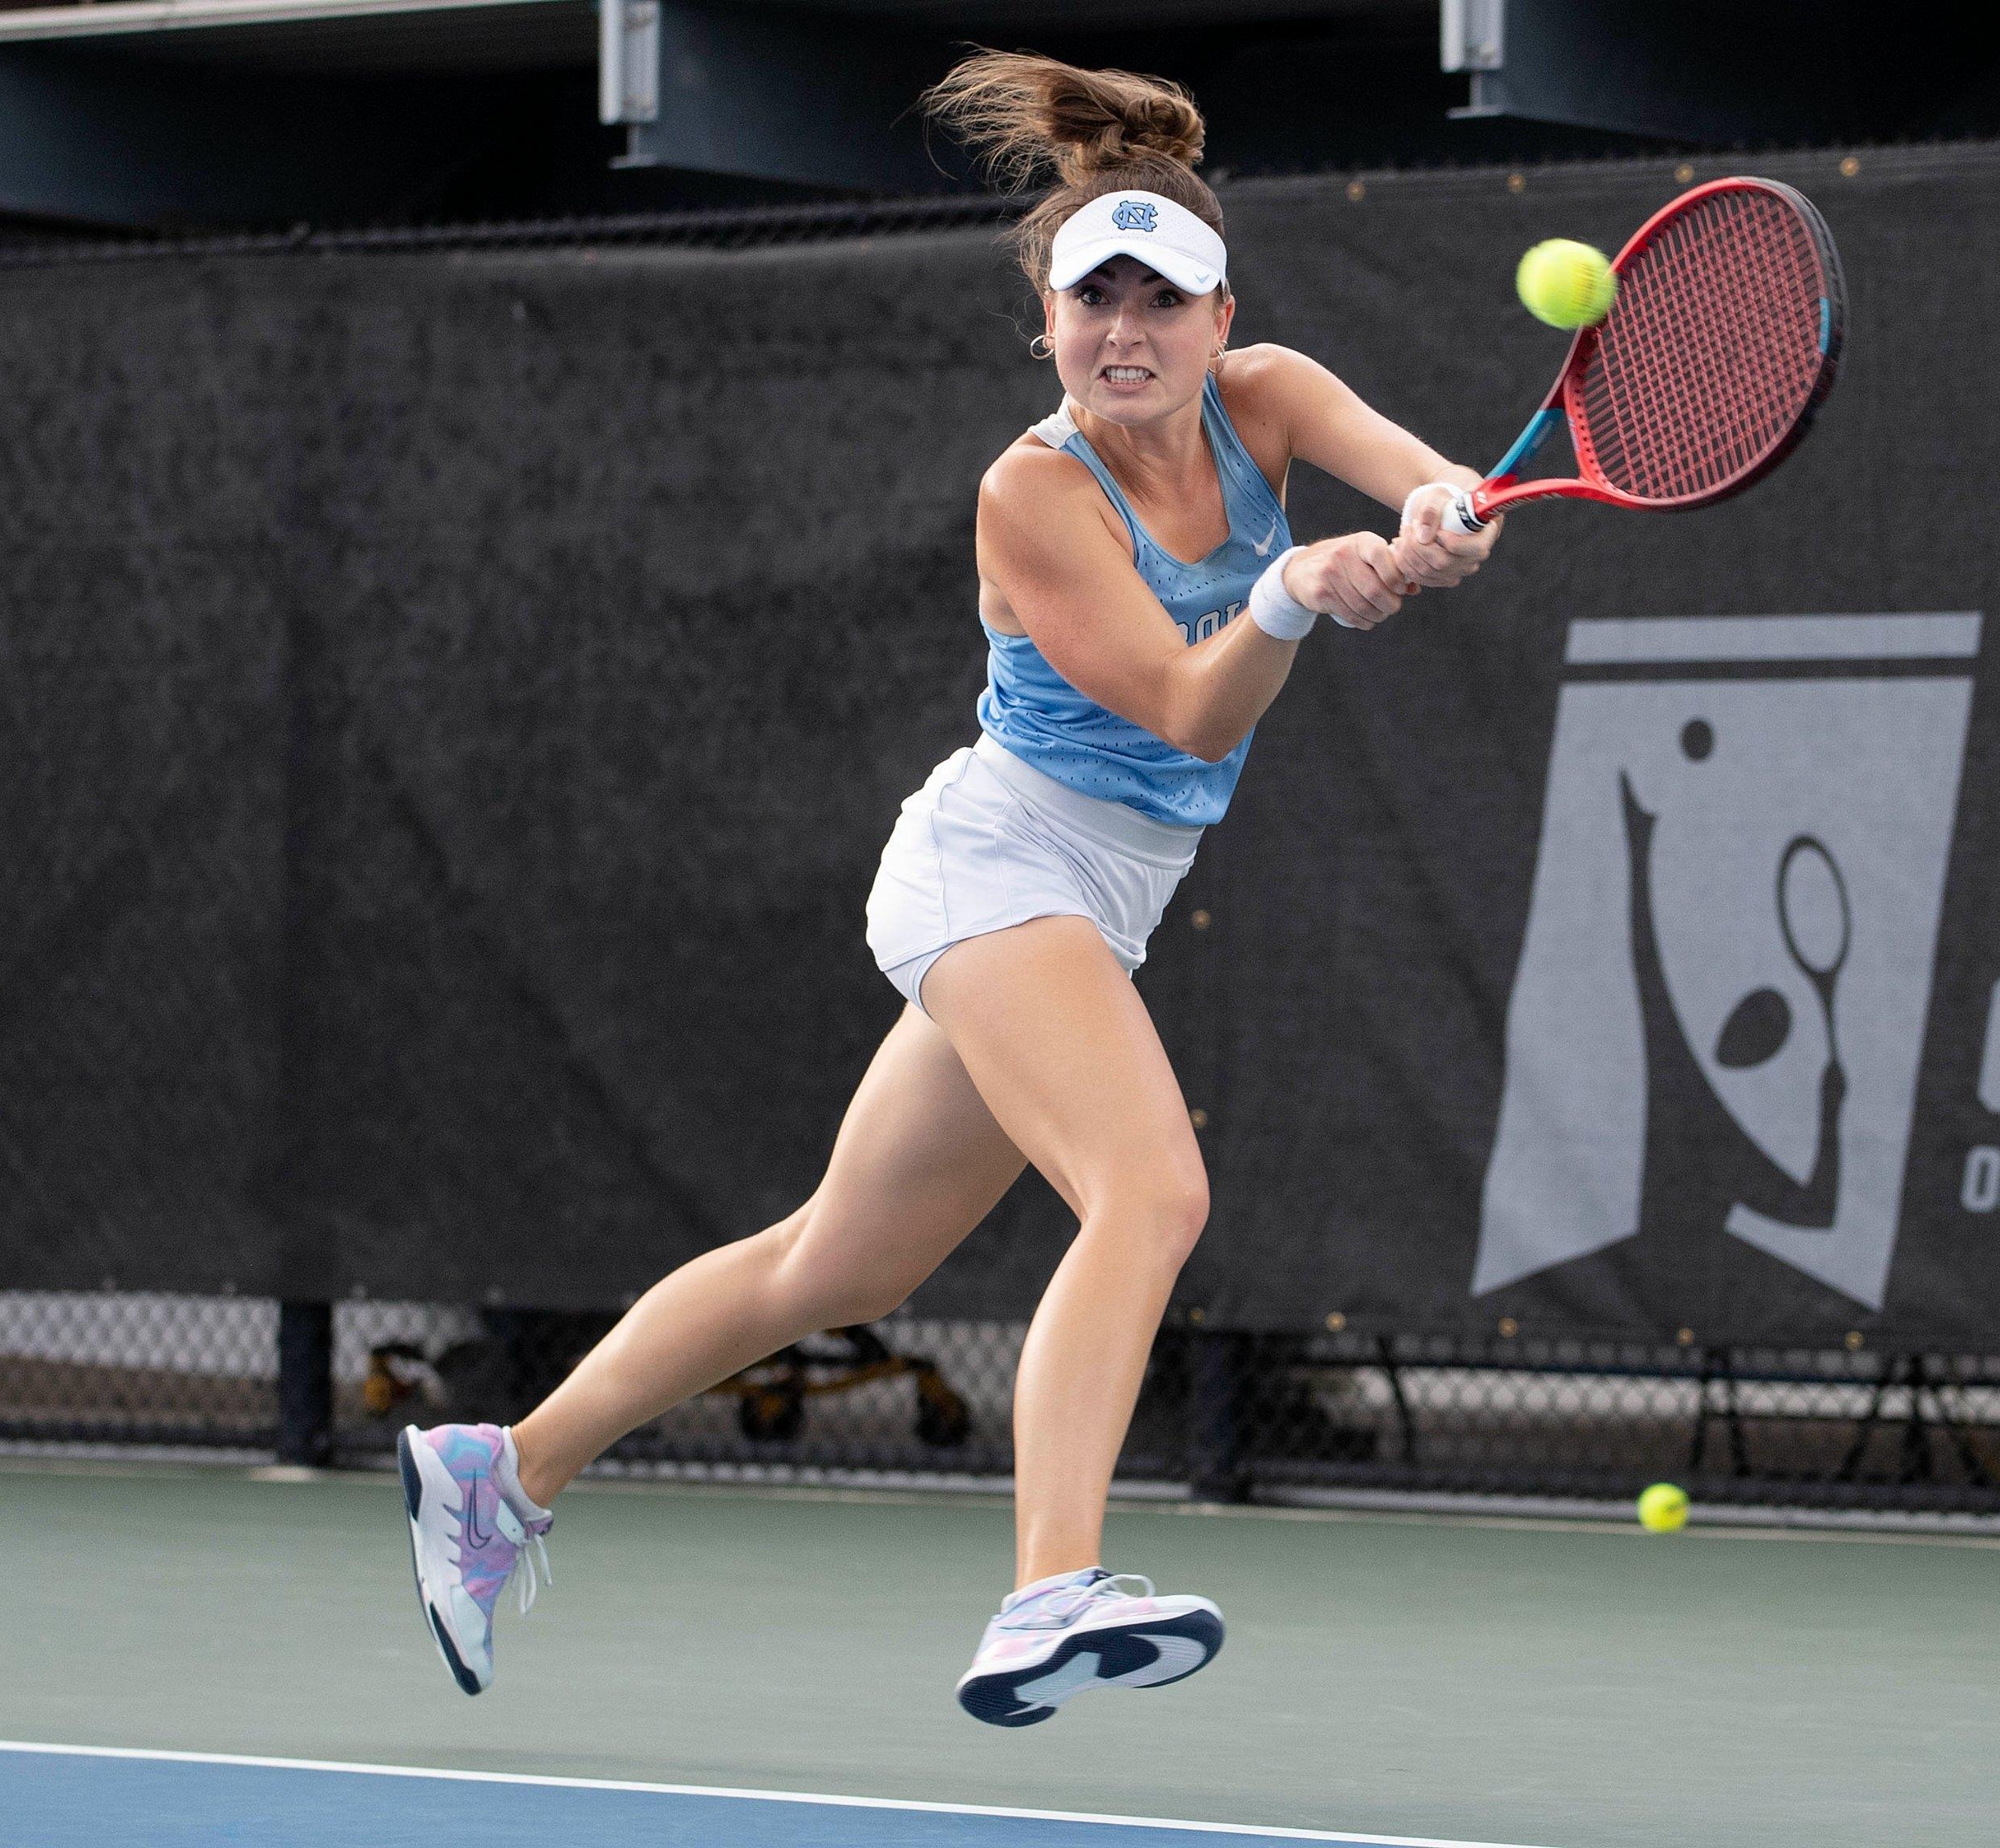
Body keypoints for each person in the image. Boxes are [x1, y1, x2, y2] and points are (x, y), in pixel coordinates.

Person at [391, 49, 1499, 1728]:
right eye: (1090, 299)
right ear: (1045, 321)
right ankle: (1046, 1593)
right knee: (1151, 1195)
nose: (1124, 331)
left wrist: (1431, 519)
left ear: (1218, 319)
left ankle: (501, 1467)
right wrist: (1290, 586)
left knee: (836, 1266)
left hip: (1100, 893)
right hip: (998, 865)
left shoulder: (1267, 397)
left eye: (1161, 300)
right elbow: (1192, 700)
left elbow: (1421, 482)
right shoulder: (1031, 492)